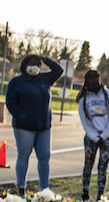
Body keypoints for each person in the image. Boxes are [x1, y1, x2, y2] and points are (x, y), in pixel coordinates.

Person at [5, 54, 64, 193]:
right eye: (31, 64)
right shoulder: (16, 82)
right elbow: (11, 103)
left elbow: (59, 71)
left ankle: (44, 188)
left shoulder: (44, 79)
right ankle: (21, 187)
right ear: (24, 66)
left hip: (43, 126)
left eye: (37, 65)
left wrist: (45, 58)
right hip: (24, 127)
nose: (34, 67)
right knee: (23, 155)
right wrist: (21, 115)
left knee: (44, 157)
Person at [77, 69, 109, 201]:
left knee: (103, 166)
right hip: (91, 137)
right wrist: (94, 136)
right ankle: (85, 192)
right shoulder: (84, 99)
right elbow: (85, 121)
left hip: (107, 137)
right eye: (91, 83)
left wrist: (104, 135)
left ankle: (100, 194)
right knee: (88, 165)